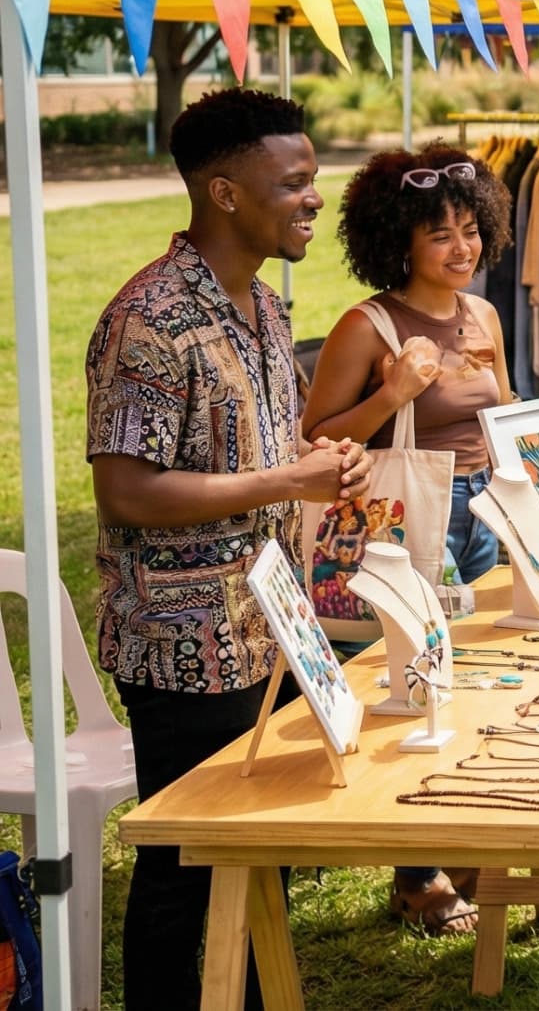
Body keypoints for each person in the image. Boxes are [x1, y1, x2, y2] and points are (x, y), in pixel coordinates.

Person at [88, 89, 371, 1008]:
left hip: (269, 626)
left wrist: (319, 459)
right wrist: (287, 483)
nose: (313, 198)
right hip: (182, 644)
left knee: (261, 854)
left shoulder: (265, 310)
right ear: (224, 193)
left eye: (312, 180)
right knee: (183, 867)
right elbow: (127, 491)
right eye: (293, 182)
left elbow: (265, 448)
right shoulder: (150, 321)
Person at [301, 146, 520, 935]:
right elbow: (316, 435)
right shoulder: (370, 325)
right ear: (400, 240)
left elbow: (500, 416)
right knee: (417, 685)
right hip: (411, 515)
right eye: (440, 236)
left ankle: (467, 843)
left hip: (488, 510)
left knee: (485, 677)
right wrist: (392, 392)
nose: (461, 249)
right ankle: (416, 871)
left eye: (470, 230)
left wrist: (514, 409)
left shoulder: (484, 314)